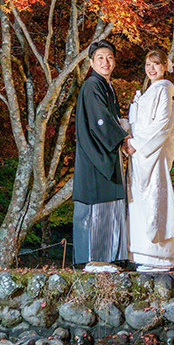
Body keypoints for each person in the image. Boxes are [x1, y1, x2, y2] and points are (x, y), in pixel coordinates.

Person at [73, 40, 134, 273]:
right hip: (95, 155)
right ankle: (94, 260)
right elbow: (100, 121)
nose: (105, 62)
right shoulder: (92, 85)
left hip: (106, 154)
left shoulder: (107, 86)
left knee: (110, 206)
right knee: (96, 206)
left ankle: (110, 258)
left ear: (115, 61)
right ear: (91, 62)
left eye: (109, 57)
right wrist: (123, 138)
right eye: (100, 58)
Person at [127, 48, 174, 272]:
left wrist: (136, 143)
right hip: (141, 155)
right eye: (148, 64)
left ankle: (159, 257)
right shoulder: (149, 92)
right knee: (141, 203)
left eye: (156, 64)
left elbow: (162, 124)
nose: (151, 69)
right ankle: (146, 254)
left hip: (150, 154)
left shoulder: (162, 91)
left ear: (164, 66)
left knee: (155, 200)